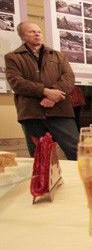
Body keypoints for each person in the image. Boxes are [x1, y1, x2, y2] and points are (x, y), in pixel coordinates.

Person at [4, 21, 79, 160]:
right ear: (22, 36)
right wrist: (44, 91)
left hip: (60, 110)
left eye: (39, 31)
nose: (37, 34)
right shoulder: (12, 57)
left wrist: (53, 95)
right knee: (40, 157)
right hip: (32, 113)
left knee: (76, 151)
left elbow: (69, 78)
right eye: (31, 31)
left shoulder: (58, 56)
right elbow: (16, 82)